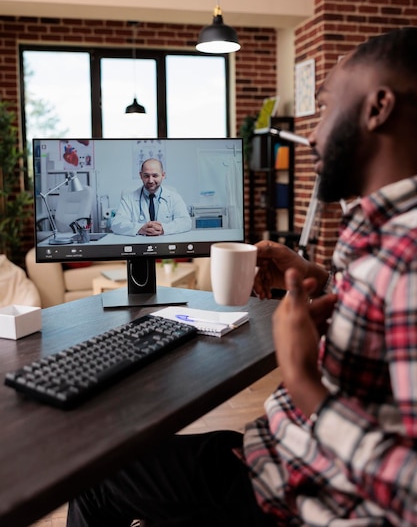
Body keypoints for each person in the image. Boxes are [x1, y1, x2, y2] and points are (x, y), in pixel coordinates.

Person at [67, 27, 417, 527]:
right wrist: (327, 283)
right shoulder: (383, 234)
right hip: (273, 452)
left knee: (94, 479)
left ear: (377, 107)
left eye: (326, 105)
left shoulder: (407, 254)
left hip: (297, 497)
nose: (313, 134)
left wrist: (302, 381)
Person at [111, 158, 192, 236]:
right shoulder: (128, 198)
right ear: (141, 175)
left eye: (155, 176)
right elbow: (116, 223)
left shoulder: (174, 197)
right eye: (146, 176)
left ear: (163, 175)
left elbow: (186, 222)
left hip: (166, 245)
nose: (150, 180)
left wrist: (163, 228)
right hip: (138, 245)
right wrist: (140, 228)